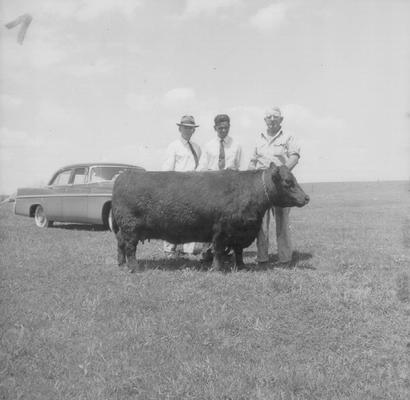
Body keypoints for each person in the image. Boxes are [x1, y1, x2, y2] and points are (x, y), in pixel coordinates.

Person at [249, 107, 301, 267]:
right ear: (265, 120)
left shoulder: (288, 137)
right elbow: (253, 162)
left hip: (282, 188)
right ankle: (262, 258)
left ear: (281, 120)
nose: (272, 119)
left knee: (282, 222)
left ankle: (285, 259)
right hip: (262, 188)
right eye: (269, 117)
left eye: (275, 117)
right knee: (261, 224)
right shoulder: (259, 139)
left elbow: (295, 156)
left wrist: (282, 173)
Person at [199, 114, 242, 261]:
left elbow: (238, 168)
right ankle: (207, 252)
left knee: (228, 221)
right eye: (220, 128)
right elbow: (202, 168)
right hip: (211, 187)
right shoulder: (208, 145)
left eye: (226, 127)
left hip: (229, 188)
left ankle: (224, 251)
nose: (223, 130)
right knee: (208, 220)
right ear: (215, 128)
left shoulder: (236, 145)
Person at [162, 115, 202, 257]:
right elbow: (167, 170)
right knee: (173, 219)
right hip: (176, 189)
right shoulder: (173, 146)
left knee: (191, 219)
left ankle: (188, 250)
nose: (188, 130)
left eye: (191, 128)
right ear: (179, 128)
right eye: (185, 127)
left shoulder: (197, 147)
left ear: (194, 130)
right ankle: (169, 249)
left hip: (193, 189)